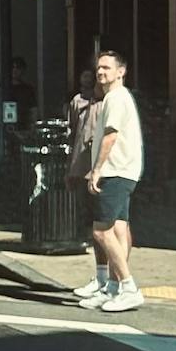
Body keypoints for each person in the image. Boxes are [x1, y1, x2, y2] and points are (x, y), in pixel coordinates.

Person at [80, 50, 145, 312]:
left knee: (101, 231)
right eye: (99, 68)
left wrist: (96, 170)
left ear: (121, 71)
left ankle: (128, 287)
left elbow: (110, 135)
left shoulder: (116, 99)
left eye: (107, 67)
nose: (101, 72)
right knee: (118, 227)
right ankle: (114, 288)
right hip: (123, 171)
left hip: (116, 171)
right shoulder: (114, 98)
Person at [67, 68, 110, 299]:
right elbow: (75, 134)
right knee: (92, 226)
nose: (85, 89)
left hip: (100, 172)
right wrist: (71, 169)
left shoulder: (107, 105)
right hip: (81, 168)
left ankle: (111, 278)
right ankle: (102, 276)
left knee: (104, 227)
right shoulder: (78, 103)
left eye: (89, 84)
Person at [5, 56, 37, 125]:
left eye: (18, 68)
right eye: (12, 67)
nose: (15, 70)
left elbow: (33, 110)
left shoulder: (27, 89)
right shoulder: (3, 88)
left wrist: (32, 125)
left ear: (23, 70)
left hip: (23, 126)